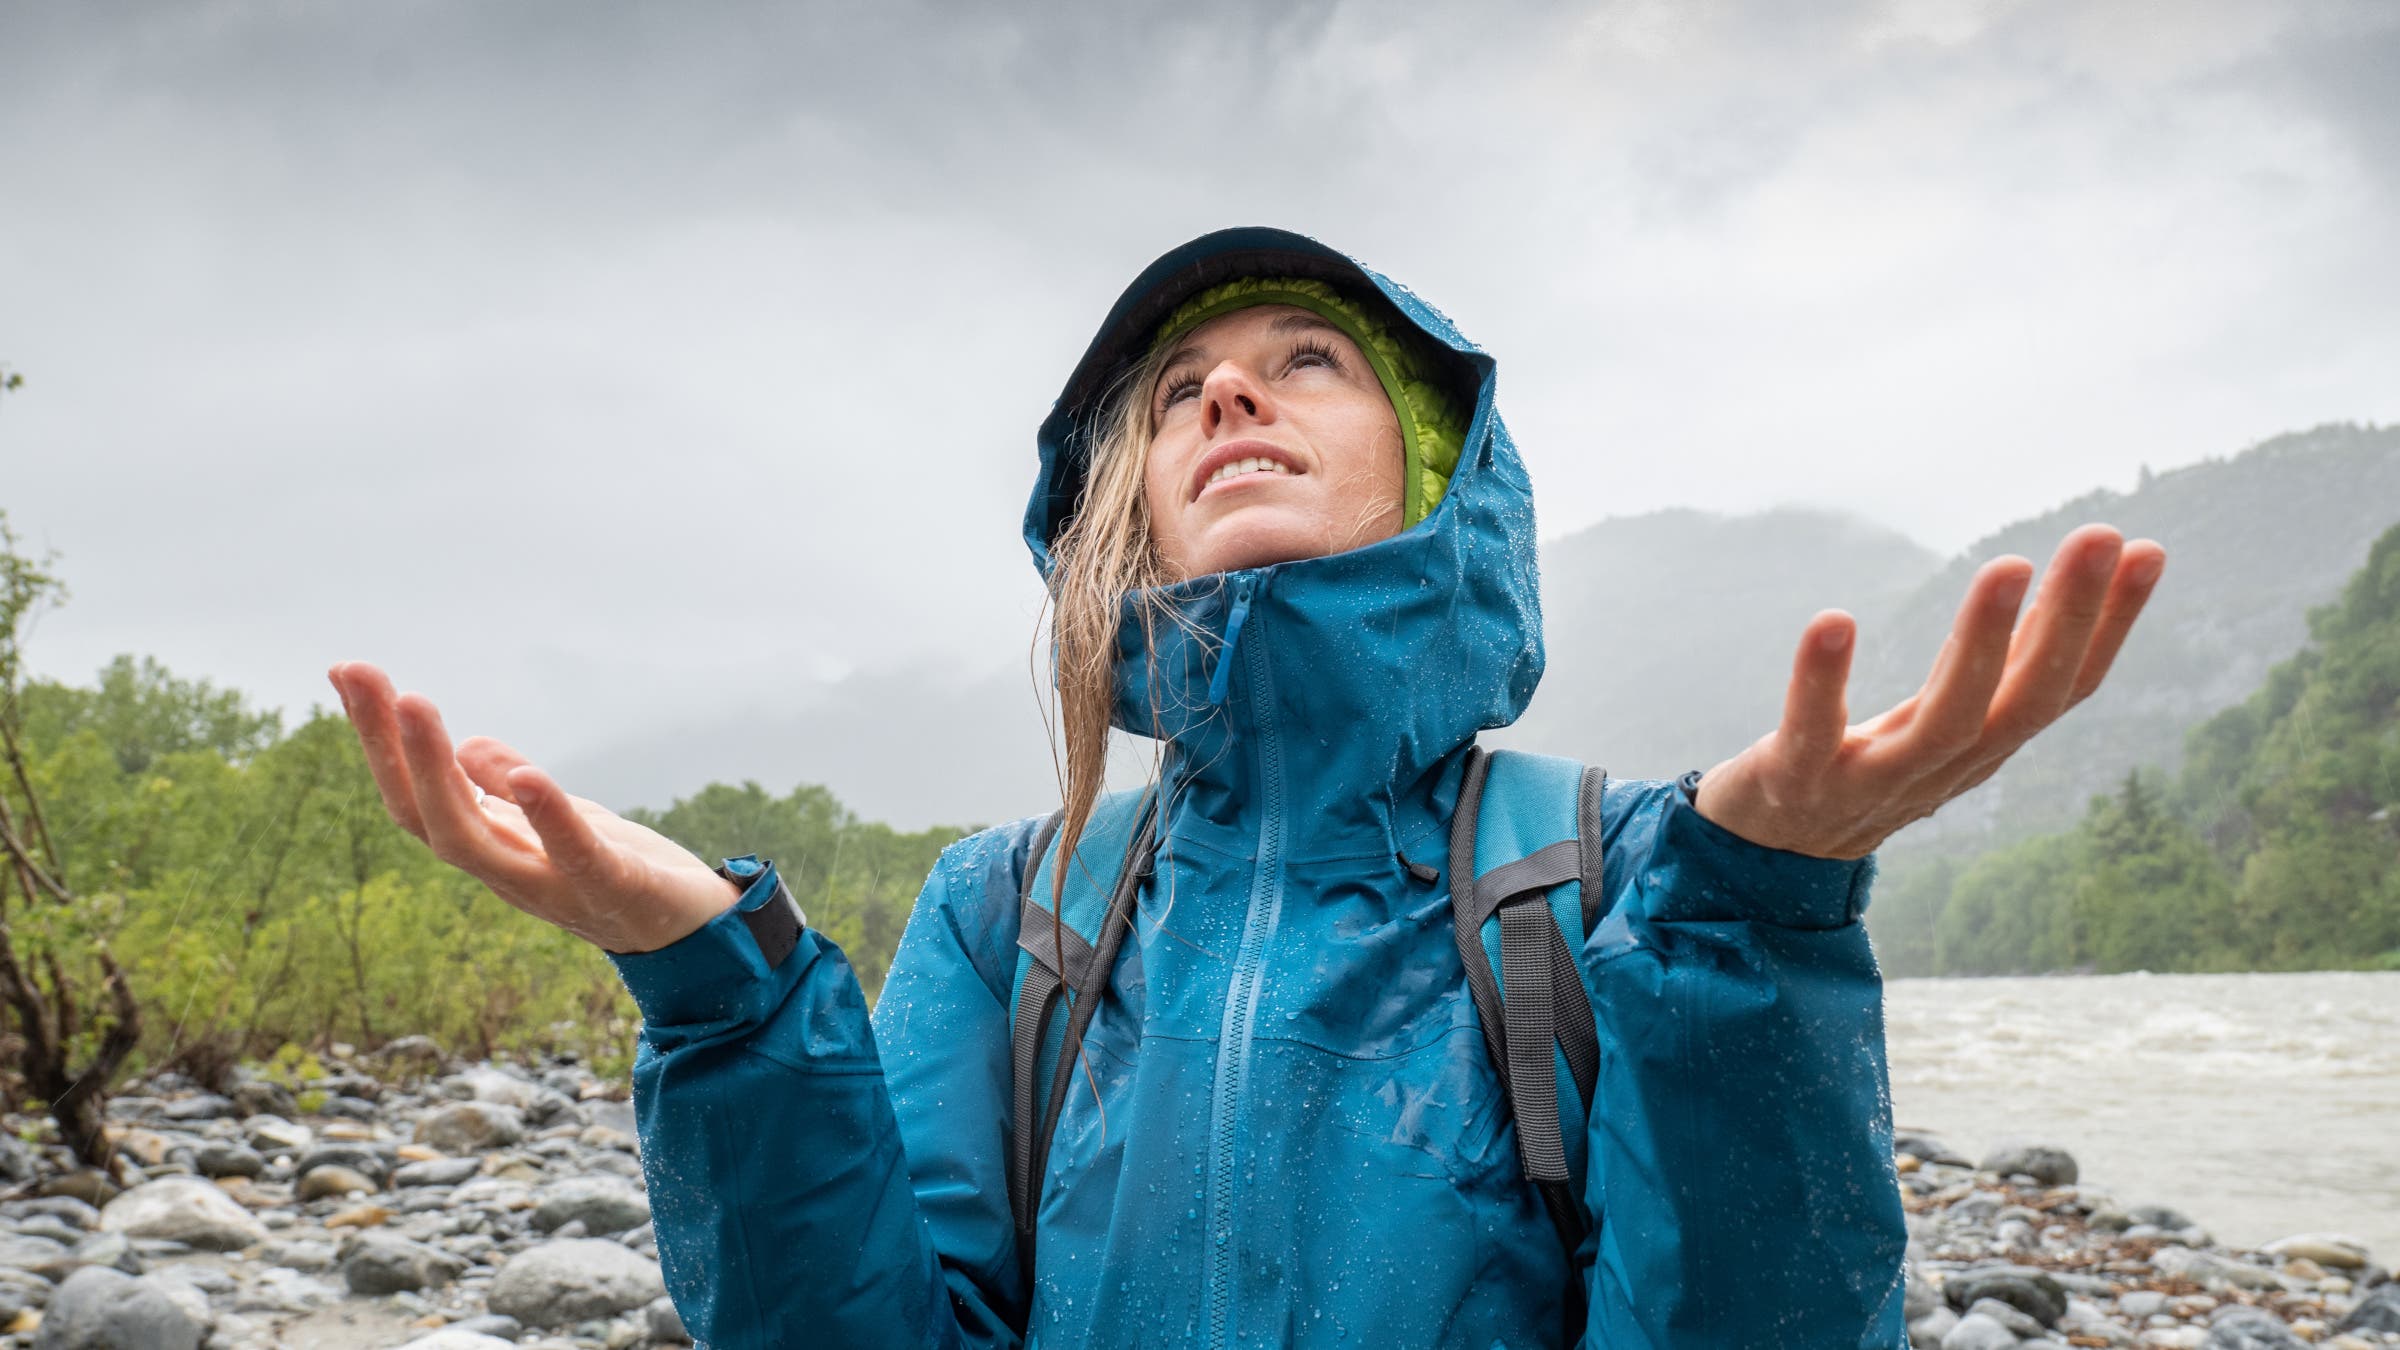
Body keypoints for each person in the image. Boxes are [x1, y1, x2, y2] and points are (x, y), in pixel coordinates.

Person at [327, 226, 2166, 1348]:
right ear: (1125, 507)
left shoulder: (1622, 883)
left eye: (1308, 363)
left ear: (1435, 471)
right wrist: (719, 993)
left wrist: (1756, 922)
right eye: (1179, 391)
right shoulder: (1008, 910)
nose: (1229, 400)